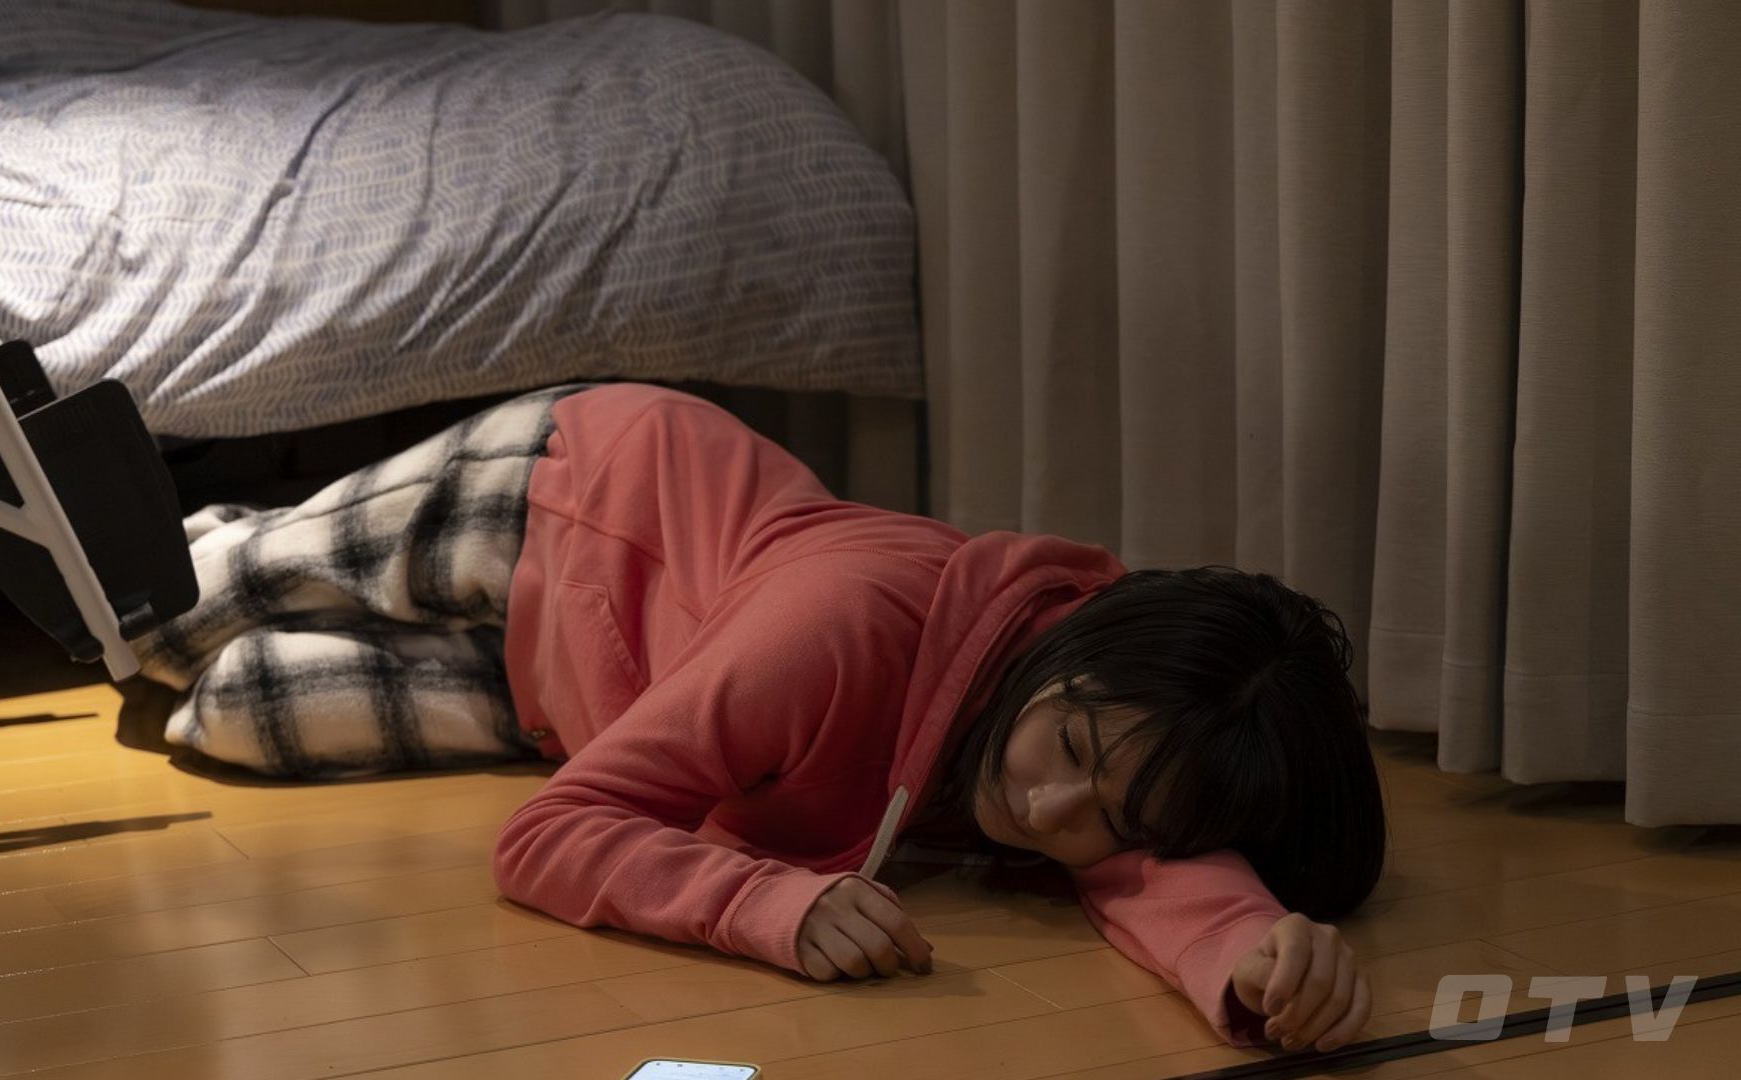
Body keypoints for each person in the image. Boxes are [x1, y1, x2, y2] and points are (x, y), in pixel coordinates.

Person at [133, 380, 1386, 1054]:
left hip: (576, 698)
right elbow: (546, 839)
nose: (1048, 811)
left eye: (1107, 814)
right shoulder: (839, 628)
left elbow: (1149, 859)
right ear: (1061, 658)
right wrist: (766, 905)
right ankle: (224, 529)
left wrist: (1255, 951)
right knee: (150, 624)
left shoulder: (1104, 738)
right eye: (1066, 753)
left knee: (233, 717)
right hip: (562, 497)